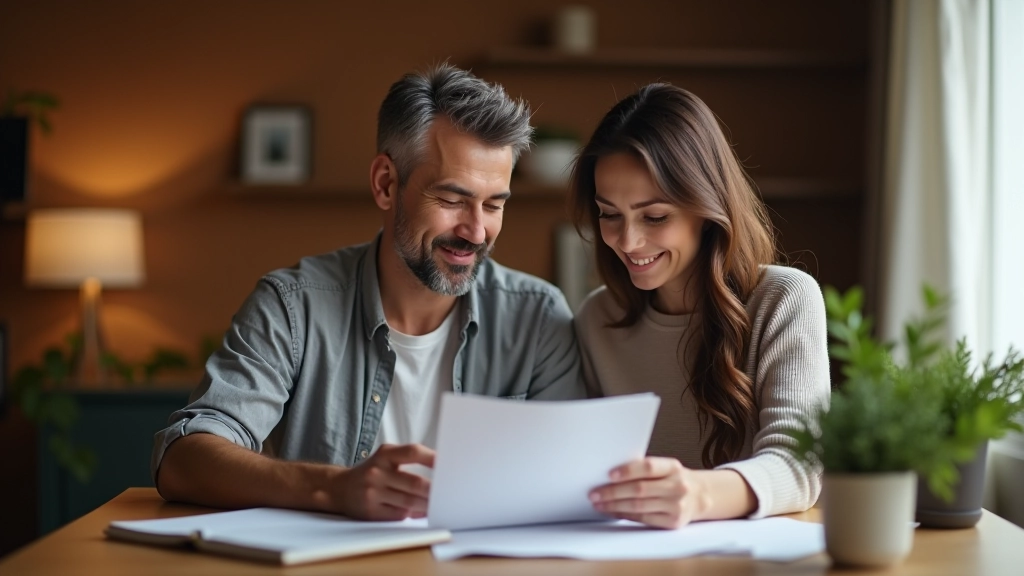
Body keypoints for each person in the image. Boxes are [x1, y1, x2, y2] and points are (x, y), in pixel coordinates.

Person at [153, 64, 583, 521]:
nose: (476, 231)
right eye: (453, 200)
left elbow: (575, 478)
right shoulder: (294, 307)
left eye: (494, 204)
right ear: (385, 184)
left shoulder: (538, 318)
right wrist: (334, 489)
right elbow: (183, 459)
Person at [570, 84, 830, 529]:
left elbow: (801, 464)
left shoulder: (784, 299)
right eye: (609, 214)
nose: (628, 242)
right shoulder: (597, 320)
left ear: (706, 209)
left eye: (655, 217)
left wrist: (697, 495)